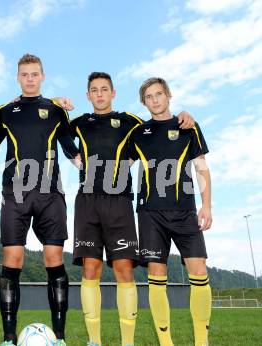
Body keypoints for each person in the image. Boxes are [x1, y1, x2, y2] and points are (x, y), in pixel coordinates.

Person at [70, 72, 195, 346]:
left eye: (105, 89)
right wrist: (72, 154)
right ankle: (94, 341)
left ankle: (128, 342)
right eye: (94, 90)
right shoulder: (78, 124)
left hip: (121, 202)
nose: (100, 94)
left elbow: (161, 124)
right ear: (88, 95)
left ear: (113, 93)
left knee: (124, 270)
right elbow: (52, 131)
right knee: (90, 270)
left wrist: (184, 116)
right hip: (87, 202)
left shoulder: (130, 123)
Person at [0, 54, 80, 346]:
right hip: (14, 194)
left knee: (53, 257)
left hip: (50, 193)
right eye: (24, 74)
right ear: (18, 77)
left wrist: (82, 162)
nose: (30, 78)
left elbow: (68, 145)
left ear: (42, 76)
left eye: (34, 74)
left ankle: (60, 337)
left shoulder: (55, 109)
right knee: (12, 258)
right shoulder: (5, 111)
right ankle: (8, 338)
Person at [129, 77, 212, 346]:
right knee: (157, 274)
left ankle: (202, 342)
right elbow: (118, 161)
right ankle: (166, 343)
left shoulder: (188, 126)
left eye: (158, 94)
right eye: (149, 97)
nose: (154, 100)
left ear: (169, 95)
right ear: (144, 102)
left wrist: (207, 205)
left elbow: (202, 168)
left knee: (198, 270)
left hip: (185, 211)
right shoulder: (139, 133)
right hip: (150, 214)